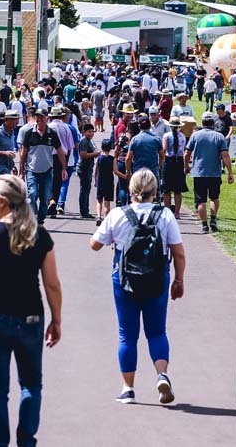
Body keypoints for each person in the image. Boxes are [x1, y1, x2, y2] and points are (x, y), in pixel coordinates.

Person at [0, 175, 62, 447]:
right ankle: (26, 441)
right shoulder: (39, 235)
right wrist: (56, 319)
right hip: (31, 317)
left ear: (2, 201)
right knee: (31, 384)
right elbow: (52, 283)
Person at [89, 170, 186, 405]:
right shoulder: (165, 216)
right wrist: (179, 279)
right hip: (157, 278)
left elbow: (94, 245)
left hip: (125, 281)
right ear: (155, 192)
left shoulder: (118, 214)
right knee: (157, 332)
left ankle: (128, 388)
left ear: (131, 191)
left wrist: (112, 236)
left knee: (127, 334)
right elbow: (179, 253)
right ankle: (162, 374)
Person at [184, 112, 234, 233]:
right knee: (214, 197)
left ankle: (204, 225)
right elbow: (225, 155)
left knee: (201, 200)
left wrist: (186, 166)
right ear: (213, 123)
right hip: (214, 172)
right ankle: (213, 219)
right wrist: (230, 172)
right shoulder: (219, 137)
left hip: (199, 172)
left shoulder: (195, 136)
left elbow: (186, 153)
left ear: (202, 122)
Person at [18, 108, 67, 225]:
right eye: (37, 117)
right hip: (32, 170)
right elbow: (23, 153)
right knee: (32, 193)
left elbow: (60, 152)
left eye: (42, 117)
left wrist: (64, 168)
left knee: (45, 198)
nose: (39, 120)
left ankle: (41, 218)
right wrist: (21, 171)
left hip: (47, 171)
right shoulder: (29, 133)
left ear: (47, 118)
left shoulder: (52, 134)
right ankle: (33, 216)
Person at [161, 117, 188, 219]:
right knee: (178, 190)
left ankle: (167, 211)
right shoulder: (182, 136)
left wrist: (160, 160)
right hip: (179, 162)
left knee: (166, 189)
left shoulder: (166, 136)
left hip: (168, 161)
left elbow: (164, 149)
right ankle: (177, 212)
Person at [125, 114, 164, 181]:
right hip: (153, 173)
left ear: (139, 126)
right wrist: (158, 166)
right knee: (155, 191)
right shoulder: (157, 139)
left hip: (138, 173)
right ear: (150, 125)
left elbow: (128, 158)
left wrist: (128, 172)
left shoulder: (135, 139)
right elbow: (162, 156)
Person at [78, 123, 98, 219]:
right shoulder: (84, 141)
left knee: (87, 189)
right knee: (84, 190)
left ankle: (86, 209)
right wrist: (95, 154)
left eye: (92, 132)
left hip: (88, 168)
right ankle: (84, 211)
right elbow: (83, 155)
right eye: (89, 132)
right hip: (84, 168)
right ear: (84, 132)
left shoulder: (89, 141)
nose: (91, 133)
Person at [95, 139, 115, 227]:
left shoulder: (99, 158)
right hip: (109, 182)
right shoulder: (112, 159)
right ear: (110, 148)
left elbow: (95, 171)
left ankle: (98, 216)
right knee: (107, 203)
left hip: (100, 181)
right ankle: (106, 218)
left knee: (99, 201)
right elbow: (115, 171)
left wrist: (95, 180)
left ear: (102, 147)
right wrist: (124, 175)